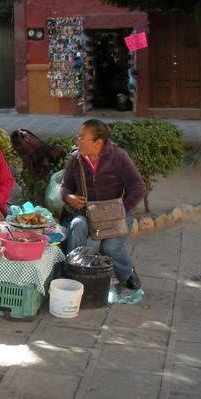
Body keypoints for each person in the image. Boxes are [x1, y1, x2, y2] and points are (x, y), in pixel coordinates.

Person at [60, 119, 145, 291]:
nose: (78, 140)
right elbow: (65, 187)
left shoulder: (119, 157)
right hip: (87, 213)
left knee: (110, 247)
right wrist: (69, 197)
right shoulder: (75, 159)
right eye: (79, 136)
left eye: (83, 137)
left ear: (98, 142)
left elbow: (138, 188)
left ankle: (127, 273)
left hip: (117, 212)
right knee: (77, 226)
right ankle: (72, 271)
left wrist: (122, 210)